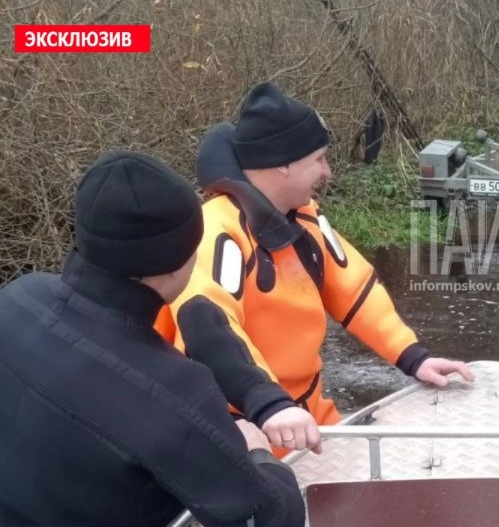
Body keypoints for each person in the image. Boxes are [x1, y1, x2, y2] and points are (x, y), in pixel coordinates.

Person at [164, 82, 474, 454]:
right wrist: (268, 403)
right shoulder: (217, 231)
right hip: (248, 427)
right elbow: (207, 327)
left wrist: (413, 357)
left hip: (308, 415)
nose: (327, 171)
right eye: (319, 159)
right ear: (282, 164)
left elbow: (354, 289)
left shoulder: (302, 218)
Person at [0, 152, 305, 526]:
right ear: (179, 260)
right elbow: (272, 516)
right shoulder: (178, 390)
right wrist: (258, 455)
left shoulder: (17, 298)